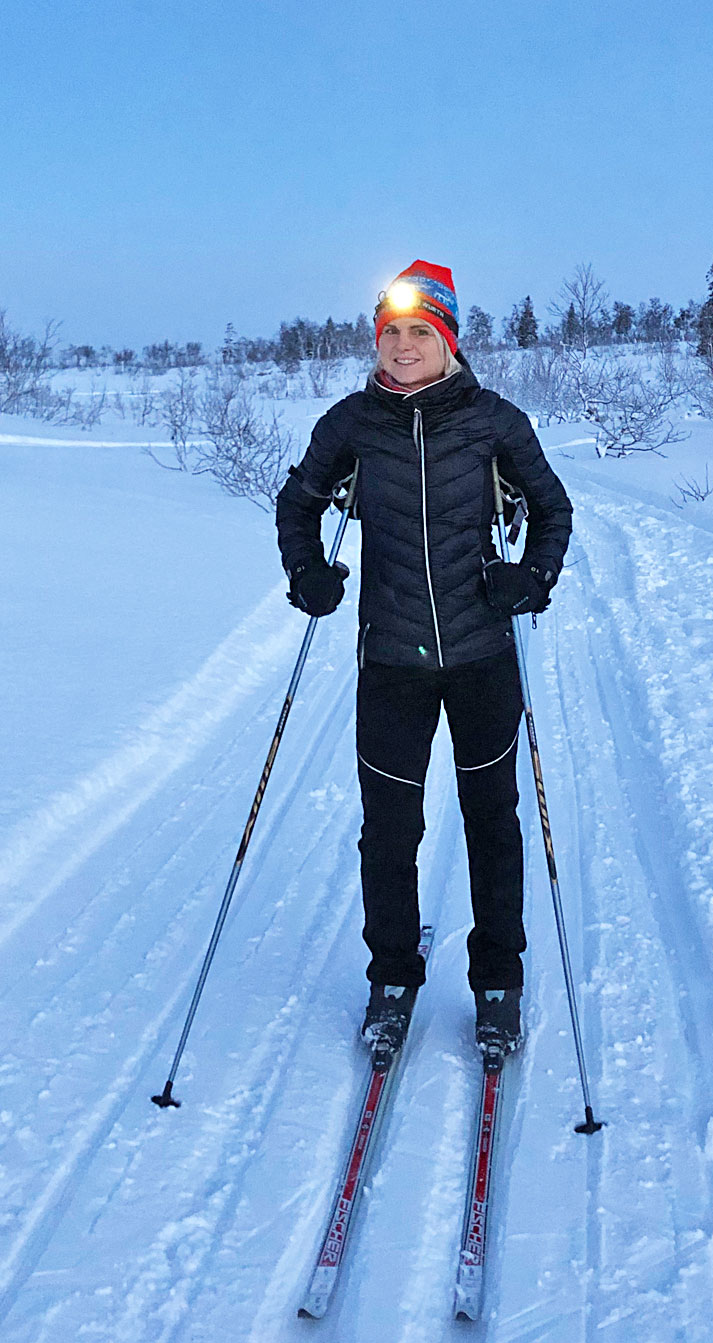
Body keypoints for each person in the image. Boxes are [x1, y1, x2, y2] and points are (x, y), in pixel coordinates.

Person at [275, 260, 572, 1061]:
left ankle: (499, 982)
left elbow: (553, 509)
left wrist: (532, 578)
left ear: (447, 341)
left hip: (482, 655)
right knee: (389, 830)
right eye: (392, 332)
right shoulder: (350, 424)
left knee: (492, 825)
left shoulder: (494, 422)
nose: (403, 347)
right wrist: (305, 570)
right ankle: (393, 977)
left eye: (420, 332)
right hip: (391, 663)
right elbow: (299, 502)